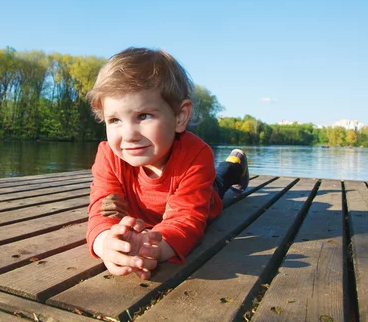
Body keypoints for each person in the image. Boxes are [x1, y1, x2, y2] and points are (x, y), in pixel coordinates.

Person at [85, 47, 249, 280]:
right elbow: (103, 209)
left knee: (219, 183)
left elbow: (185, 218)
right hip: (158, 215)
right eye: (114, 120)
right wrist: (106, 244)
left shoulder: (196, 155)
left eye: (143, 116)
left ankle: (235, 163)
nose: (129, 134)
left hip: (203, 197)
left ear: (180, 116)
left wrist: (153, 248)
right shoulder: (109, 156)